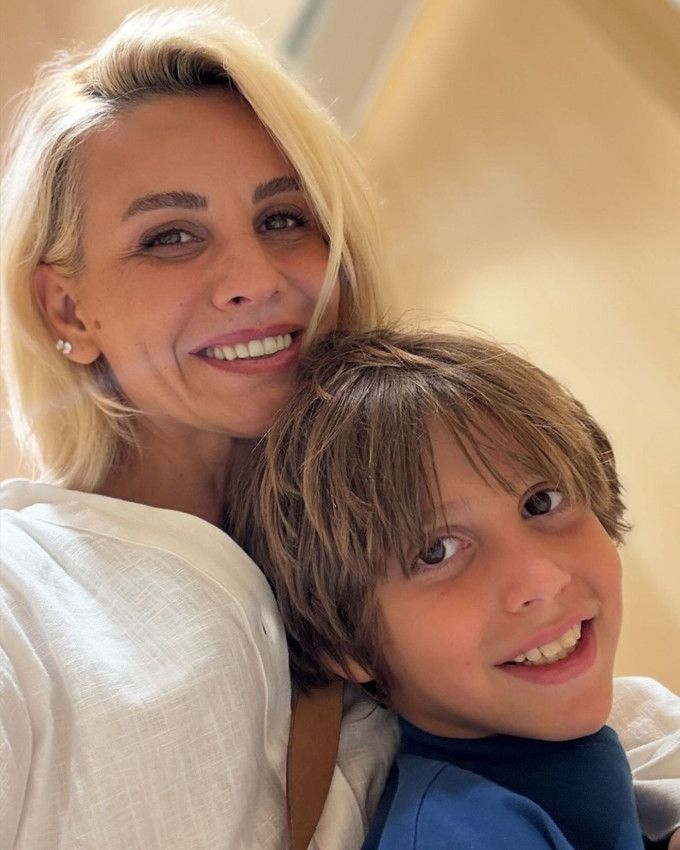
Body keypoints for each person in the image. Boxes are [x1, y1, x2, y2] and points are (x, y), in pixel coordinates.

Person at [0, 6, 676, 849]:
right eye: (170, 237)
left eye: (285, 218)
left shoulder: (491, 631)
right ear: (68, 307)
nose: (253, 278)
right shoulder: (21, 600)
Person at [230, 327, 680, 849]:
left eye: (541, 502)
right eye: (436, 551)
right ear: (344, 640)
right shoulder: (458, 831)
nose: (542, 578)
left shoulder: (541, 763)